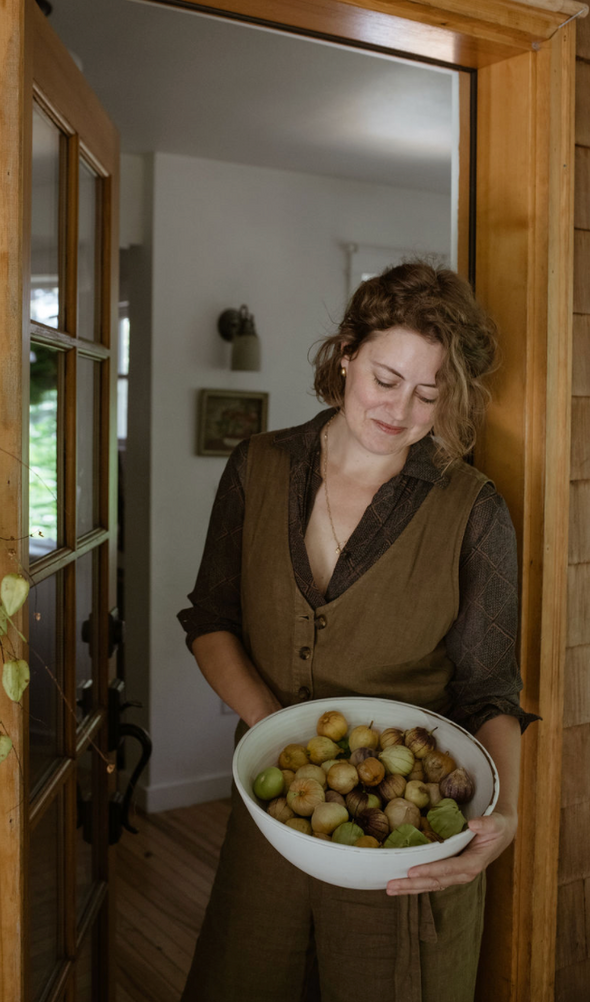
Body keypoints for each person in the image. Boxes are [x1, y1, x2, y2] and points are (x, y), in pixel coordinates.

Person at [177, 261, 537, 1002]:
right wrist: (278, 735)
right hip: (272, 821)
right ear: (346, 355)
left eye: (429, 393)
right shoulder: (257, 466)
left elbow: (489, 688)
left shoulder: (475, 510)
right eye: (386, 378)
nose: (400, 410)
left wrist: (505, 815)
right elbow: (212, 621)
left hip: (409, 845)